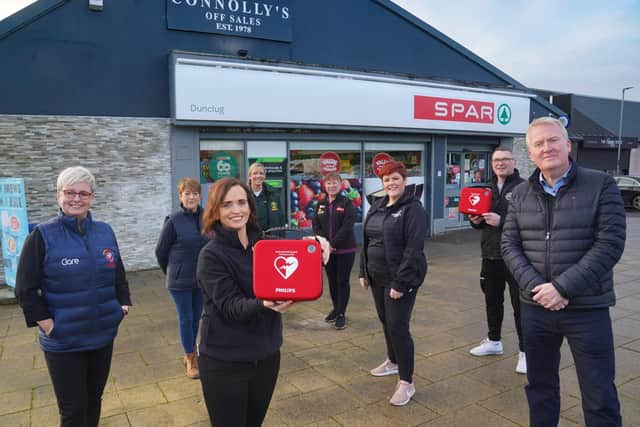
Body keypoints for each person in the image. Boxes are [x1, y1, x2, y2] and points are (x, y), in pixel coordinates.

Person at [502, 117, 626, 427]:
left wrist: (561, 288)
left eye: (553, 140)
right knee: (540, 389)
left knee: (599, 396)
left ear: (568, 144)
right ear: (530, 153)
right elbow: (509, 246)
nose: (547, 148)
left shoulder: (601, 184)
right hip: (536, 308)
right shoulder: (519, 194)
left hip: (587, 308)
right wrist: (537, 288)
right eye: (538, 144)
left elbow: (609, 245)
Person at [15, 166, 131, 427]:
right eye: (70, 192)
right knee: (73, 410)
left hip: (102, 336)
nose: (76, 199)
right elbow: (25, 289)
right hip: (64, 342)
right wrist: (49, 326)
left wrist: (122, 307)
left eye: (83, 193)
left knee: (94, 399)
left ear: (91, 197)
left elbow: (119, 275)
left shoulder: (105, 231)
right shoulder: (42, 236)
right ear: (59, 195)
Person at [196, 177, 296, 427]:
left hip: (266, 356)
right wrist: (264, 302)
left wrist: (317, 245)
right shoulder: (211, 255)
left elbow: (297, 257)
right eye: (227, 204)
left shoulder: (265, 245)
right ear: (216, 210)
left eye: (242, 202)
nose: (236, 210)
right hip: (225, 361)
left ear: (251, 206)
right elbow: (231, 307)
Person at [359, 160, 427, 406]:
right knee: (385, 322)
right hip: (376, 276)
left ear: (404, 181)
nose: (391, 183)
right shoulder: (377, 205)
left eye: (395, 178)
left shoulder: (413, 209)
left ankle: (406, 382)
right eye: (386, 179)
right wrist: (363, 271)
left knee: (398, 327)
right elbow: (366, 241)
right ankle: (392, 361)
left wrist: (400, 283)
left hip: (401, 279)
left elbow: (414, 249)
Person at [468, 147, 526, 374]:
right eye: (496, 160)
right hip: (490, 254)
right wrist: (475, 220)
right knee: (492, 301)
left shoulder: (524, 187)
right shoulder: (487, 188)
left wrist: (501, 221)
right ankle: (494, 342)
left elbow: (530, 221)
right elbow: (482, 222)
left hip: (516, 256)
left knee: (520, 305)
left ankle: (525, 352)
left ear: (514, 161)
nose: (500, 163)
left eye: (504, 159)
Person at [155, 177, 208, 379]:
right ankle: (190, 357)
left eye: (195, 193)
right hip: (180, 281)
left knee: (197, 318)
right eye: (187, 193)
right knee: (186, 319)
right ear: (181, 196)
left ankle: (191, 351)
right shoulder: (173, 221)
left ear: (199, 195)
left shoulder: (208, 217)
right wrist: (170, 271)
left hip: (201, 280)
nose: (191, 197)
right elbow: (160, 251)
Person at [312, 172, 356, 330]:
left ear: (340, 185)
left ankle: (342, 313)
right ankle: (336, 308)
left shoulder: (347, 203)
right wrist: (324, 243)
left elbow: (347, 226)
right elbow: (315, 224)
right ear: (325, 185)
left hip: (345, 250)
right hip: (327, 251)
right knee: (331, 281)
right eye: (329, 183)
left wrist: (333, 244)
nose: (331, 186)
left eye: (335, 183)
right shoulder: (321, 204)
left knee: (342, 281)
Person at [247, 162, 284, 232]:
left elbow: (280, 218)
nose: (258, 176)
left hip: (270, 238)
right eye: (255, 173)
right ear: (249, 176)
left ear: (264, 176)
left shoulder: (274, 194)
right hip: (250, 238)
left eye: (261, 173)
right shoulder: (244, 195)